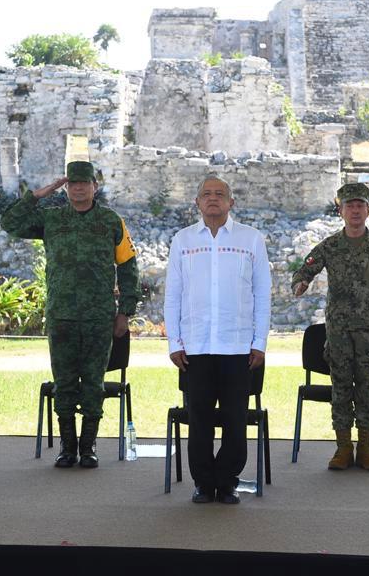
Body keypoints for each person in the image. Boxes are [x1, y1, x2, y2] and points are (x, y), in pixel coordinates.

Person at [1, 161, 139, 469]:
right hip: (62, 315)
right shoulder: (51, 220)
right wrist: (37, 195)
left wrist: (125, 312)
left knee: (93, 382)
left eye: (84, 183)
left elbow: (128, 267)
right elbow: (9, 223)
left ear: (95, 187)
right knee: (63, 383)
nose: (78, 188)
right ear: (65, 188)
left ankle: (88, 447)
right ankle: (67, 447)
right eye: (72, 184)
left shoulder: (110, 221)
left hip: (99, 316)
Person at [164, 175, 270, 504]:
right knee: (200, 420)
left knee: (235, 421)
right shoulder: (182, 241)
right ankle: (202, 481)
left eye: (219, 194)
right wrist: (174, 343)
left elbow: (263, 294)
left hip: (238, 347)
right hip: (195, 347)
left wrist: (260, 342)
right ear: (197, 202)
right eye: (206, 194)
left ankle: (227, 481)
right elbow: (173, 295)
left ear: (231, 203)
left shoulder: (251, 240)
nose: (213, 199)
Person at [291, 182, 369, 472]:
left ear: (368, 210)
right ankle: (343, 448)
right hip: (338, 333)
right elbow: (305, 269)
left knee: (366, 390)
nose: (355, 210)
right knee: (340, 390)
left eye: (360, 205)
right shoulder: (330, 245)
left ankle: (366, 448)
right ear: (340, 211)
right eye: (349, 206)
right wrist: (301, 282)